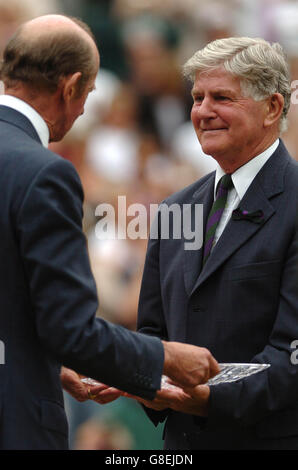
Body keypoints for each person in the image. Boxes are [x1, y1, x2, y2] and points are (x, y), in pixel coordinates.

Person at [0, 14, 219, 450]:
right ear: (70, 87)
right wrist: (166, 357)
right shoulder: (44, 173)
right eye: (89, 94)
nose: (83, 110)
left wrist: (31, 358)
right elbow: (72, 330)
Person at [134, 37, 298, 450]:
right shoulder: (176, 208)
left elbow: (290, 353)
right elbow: (154, 332)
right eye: (197, 97)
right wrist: (135, 374)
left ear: (273, 108)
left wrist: (204, 397)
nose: (203, 112)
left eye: (221, 97)